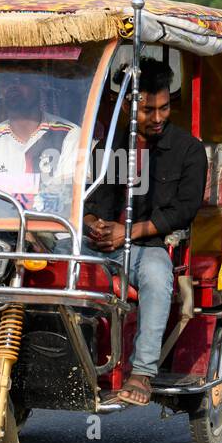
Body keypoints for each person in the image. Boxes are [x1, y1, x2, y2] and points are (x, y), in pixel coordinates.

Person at [83, 58, 206, 406]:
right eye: (147, 110)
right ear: (127, 105)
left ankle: (142, 371)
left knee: (155, 274)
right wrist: (96, 226)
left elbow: (184, 210)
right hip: (103, 245)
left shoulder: (188, 150)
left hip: (149, 246)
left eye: (163, 108)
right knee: (57, 252)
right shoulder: (108, 146)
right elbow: (89, 202)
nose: (157, 118)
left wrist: (127, 233)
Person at [0, 79, 80, 213]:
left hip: (55, 228)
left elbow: (67, 198)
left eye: (21, 80)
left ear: (39, 84)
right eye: (6, 82)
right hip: (2, 229)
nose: (13, 87)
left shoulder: (69, 135)